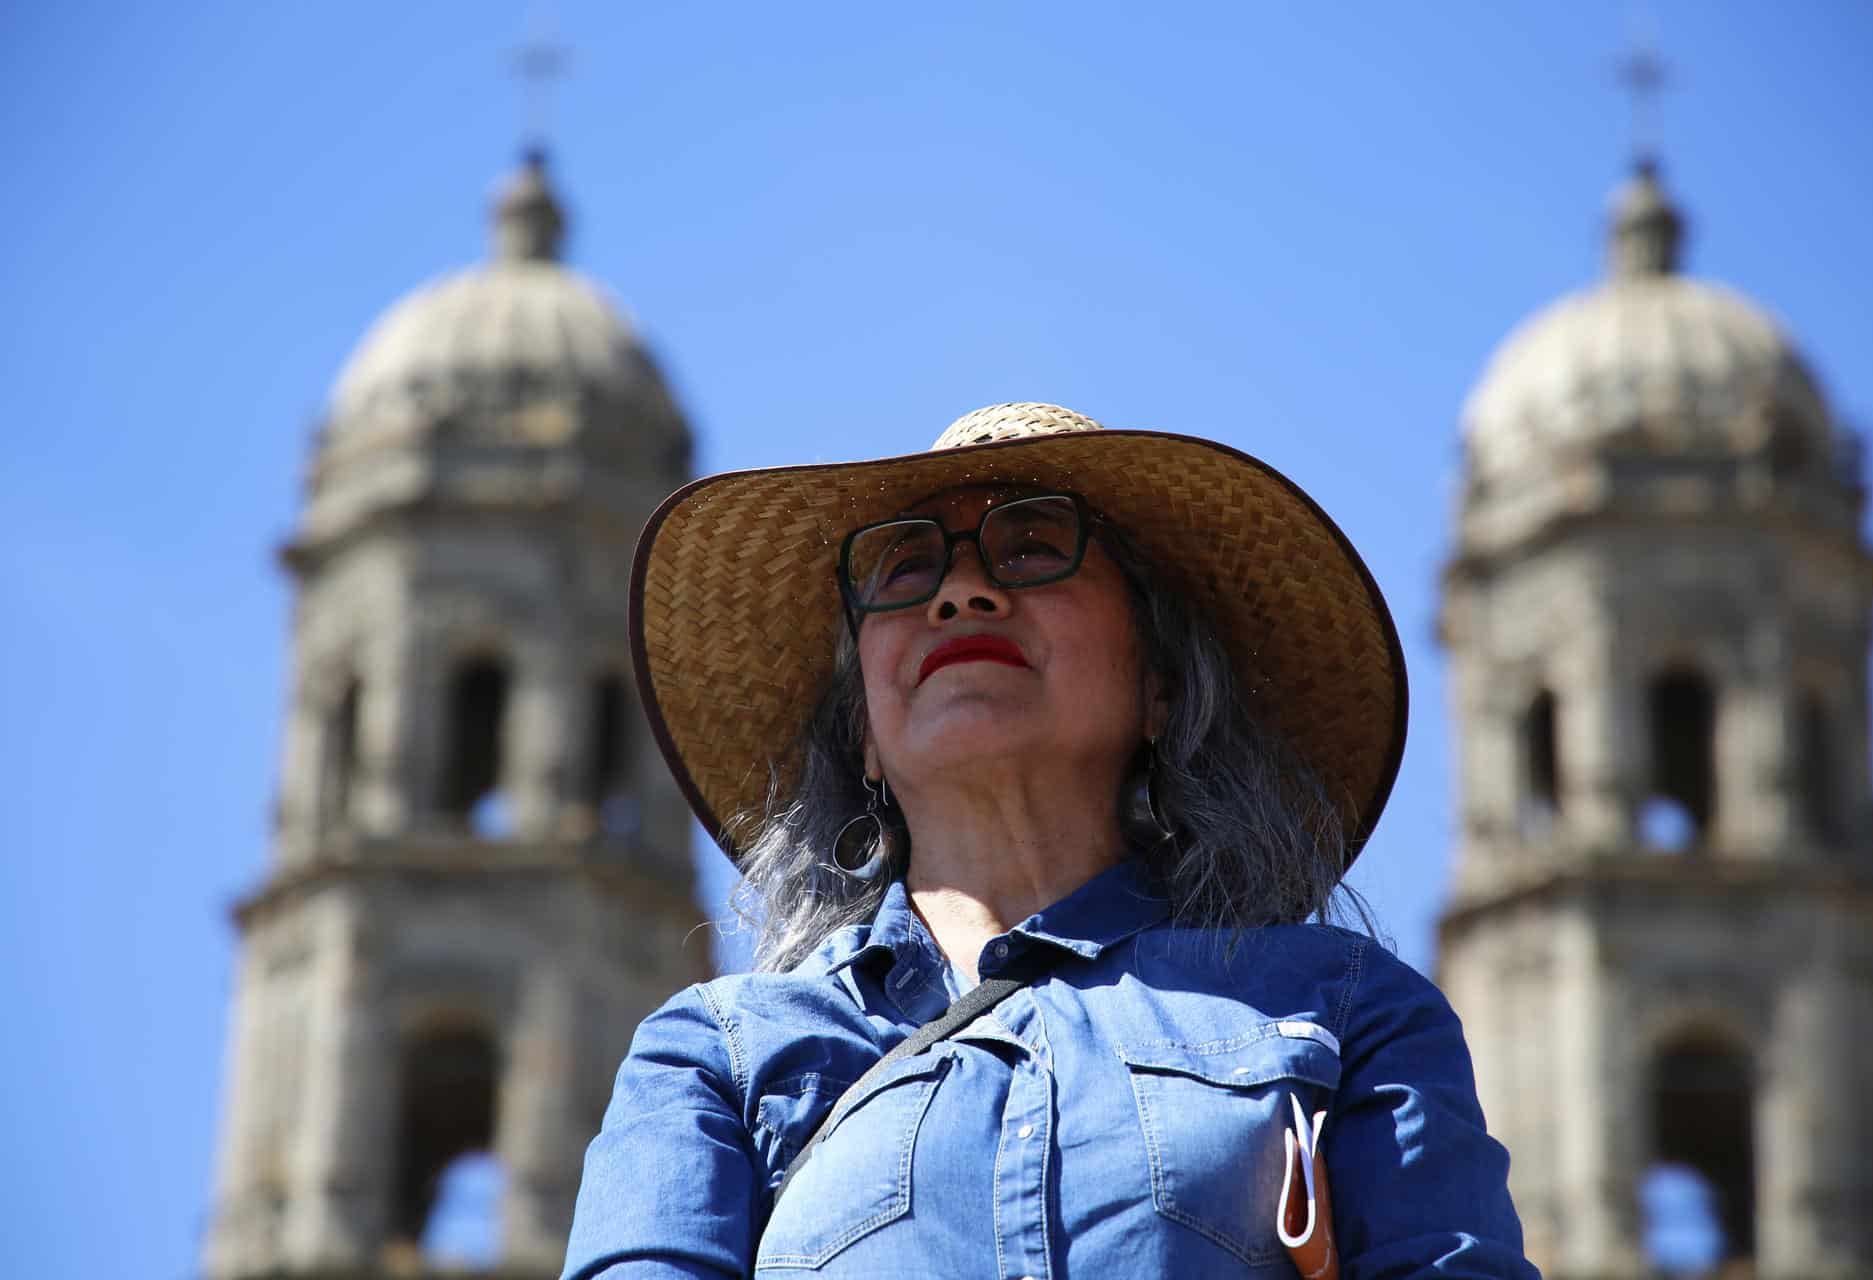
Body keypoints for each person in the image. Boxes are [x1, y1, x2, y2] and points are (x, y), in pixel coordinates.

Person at [562, 402, 1537, 1278]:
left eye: (1032, 545)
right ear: (861, 727)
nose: (960, 591)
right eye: (905, 568)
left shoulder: (1345, 1012)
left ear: (1160, 687)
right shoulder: (721, 1056)